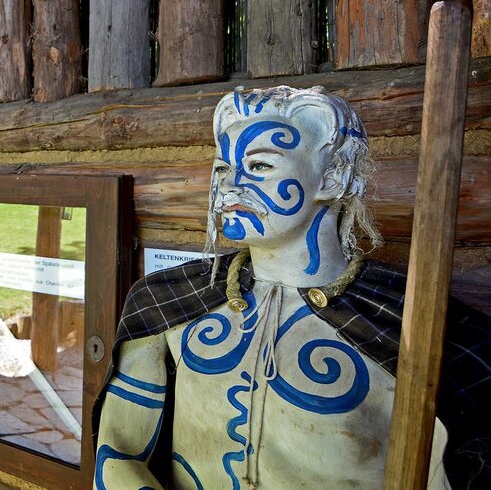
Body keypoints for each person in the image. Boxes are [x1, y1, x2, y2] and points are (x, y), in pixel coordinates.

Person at [93, 86, 491, 489]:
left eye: (260, 165)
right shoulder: (169, 299)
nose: (229, 186)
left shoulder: (416, 329)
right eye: (222, 168)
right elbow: (117, 453)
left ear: (332, 178)